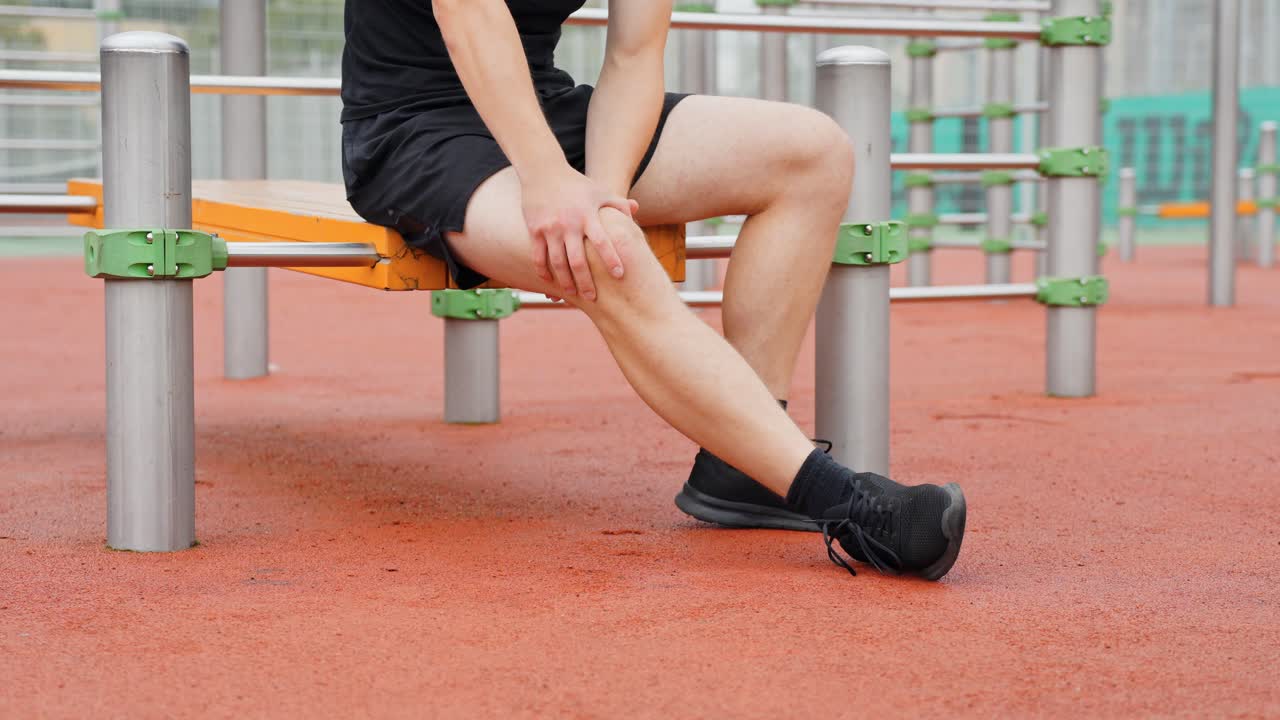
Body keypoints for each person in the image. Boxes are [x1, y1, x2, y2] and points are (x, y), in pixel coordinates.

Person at [340, 0, 967, 579]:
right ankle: (842, 503)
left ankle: (743, 466)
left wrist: (603, 196)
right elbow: (469, 14)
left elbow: (634, 54)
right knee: (604, 256)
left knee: (813, 152)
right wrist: (549, 180)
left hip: (545, 107)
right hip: (415, 126)